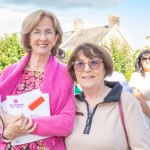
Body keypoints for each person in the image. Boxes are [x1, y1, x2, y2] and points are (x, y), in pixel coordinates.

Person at [0, 10, 75, 150]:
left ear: (56, 37)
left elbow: (66, 123)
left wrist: (21, 124)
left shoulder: (66, 74)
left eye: (48, 32)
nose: (43, 37)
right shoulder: (8, 72)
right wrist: (7, 133)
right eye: (36, 32)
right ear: (28, 37)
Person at [66, 43, 150, 150]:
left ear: (106, 68)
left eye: (94, 62)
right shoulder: (69, 104)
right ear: (74, 70)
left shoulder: (127, 102)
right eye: (79, 64)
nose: (86, 69)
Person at [129, 49, 150, 128]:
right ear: (140, 61)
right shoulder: (136, 76)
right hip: (143, 111)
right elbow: (138, 97)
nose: (147, 61)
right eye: (144, 59)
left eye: (149, 58)